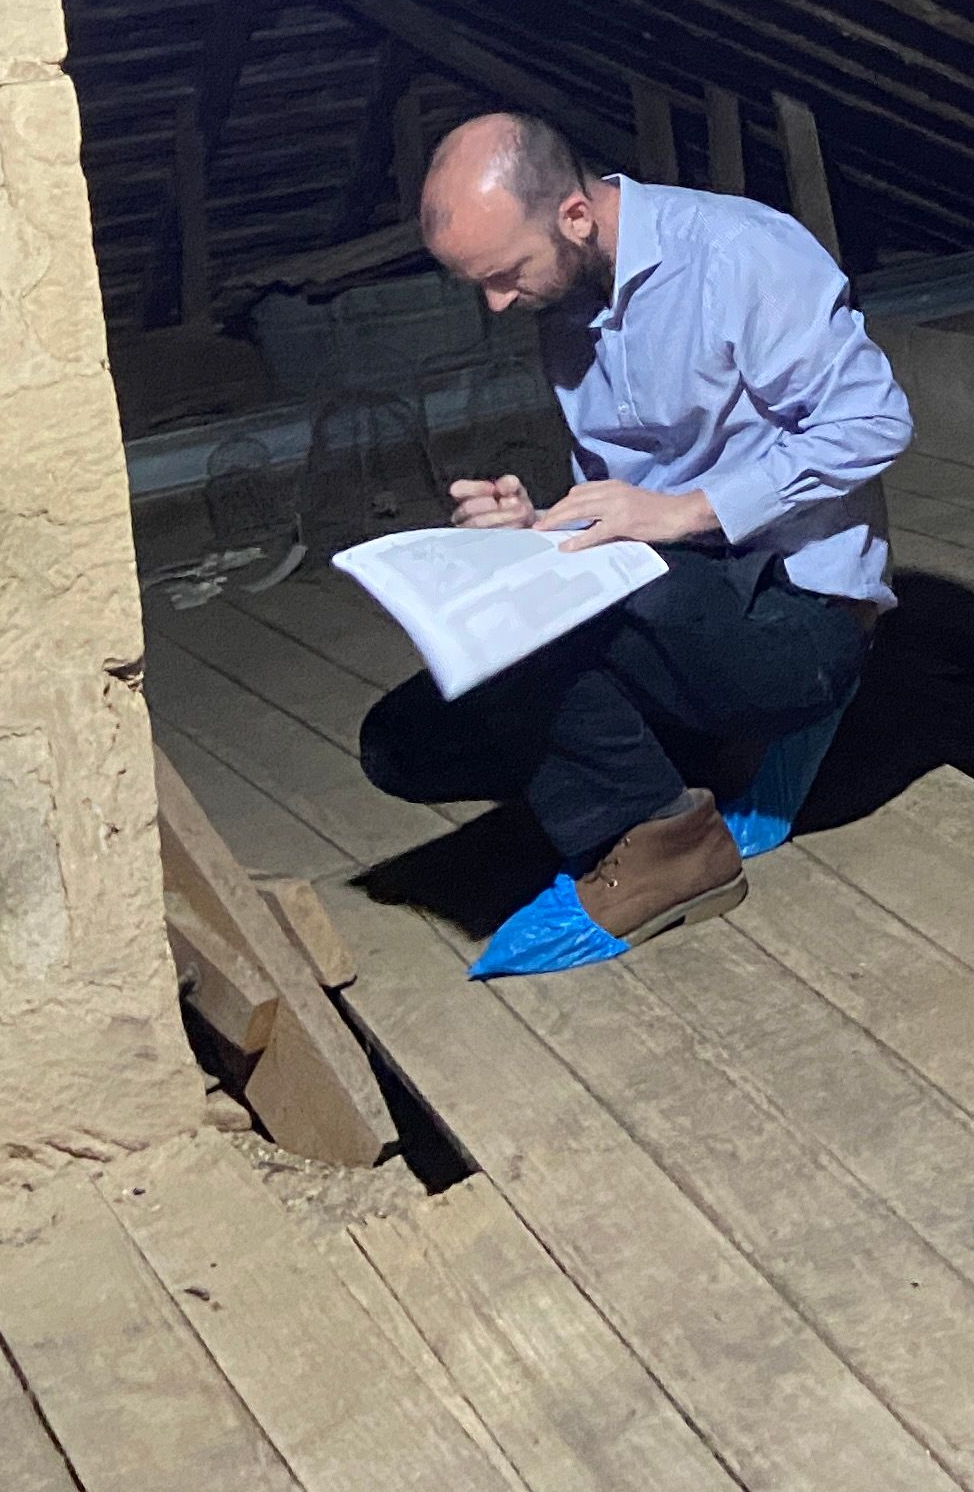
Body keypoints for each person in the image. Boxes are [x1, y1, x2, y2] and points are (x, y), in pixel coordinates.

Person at [356, 109, 911, 977]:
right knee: (402, 742)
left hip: (799, 619)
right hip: (680, 597)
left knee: (551, 634)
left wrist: (691, 510)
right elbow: (626, 497)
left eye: (505, 275)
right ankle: (666, 763)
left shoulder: (739, 255)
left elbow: (874, 420)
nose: (496, 303)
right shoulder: (570, 291)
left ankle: (669, 851)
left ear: (575, 217)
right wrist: (536, 525)